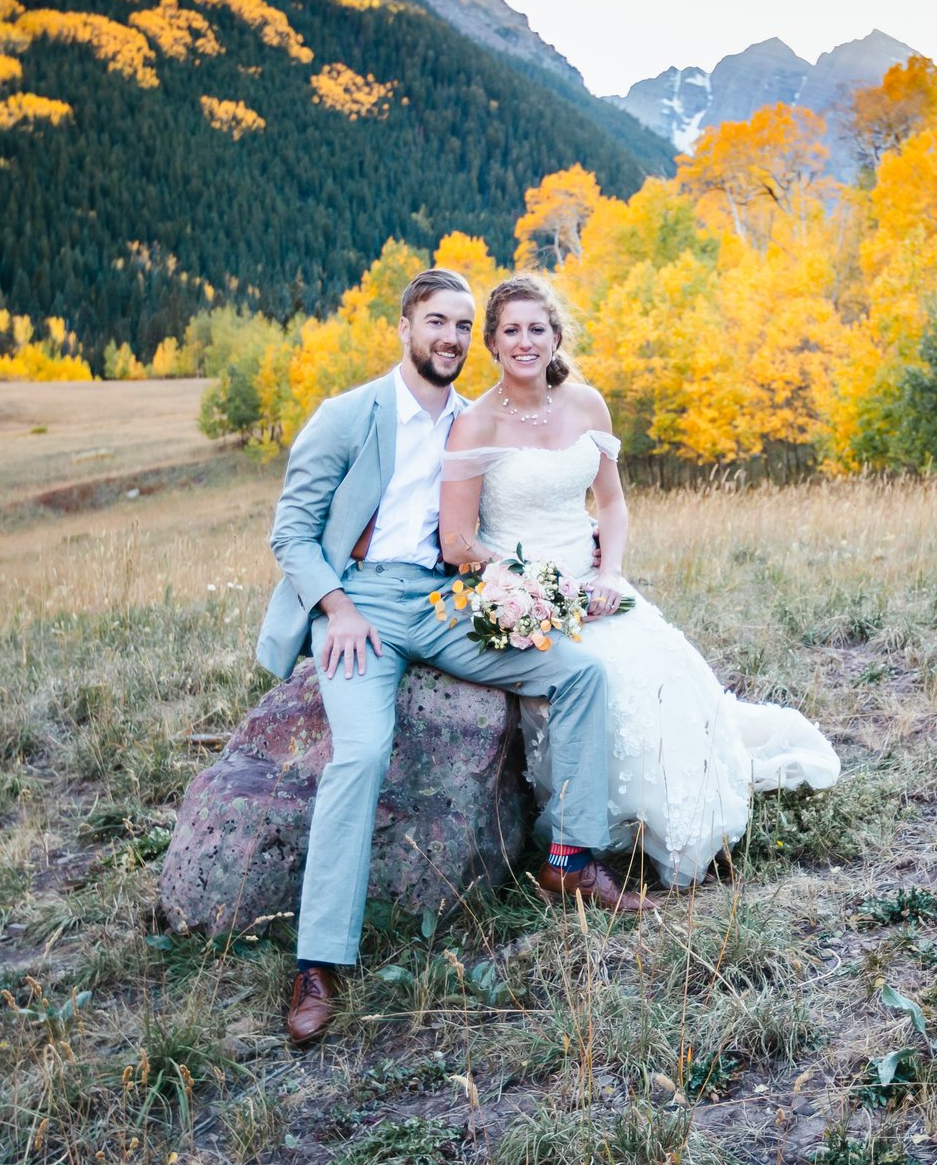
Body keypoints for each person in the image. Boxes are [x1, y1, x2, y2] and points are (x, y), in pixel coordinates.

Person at [256, 267, 647, 1049]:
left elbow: (492, 522)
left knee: (578, 670)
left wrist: (570, 573)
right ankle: (318, 964)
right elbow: (290, 532)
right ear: (405, 326)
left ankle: (569, 855)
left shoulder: (477, 417)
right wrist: (334, 608)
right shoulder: (347, 415)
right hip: (360, 604)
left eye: (465, 327)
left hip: (444, 603)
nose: (453, 339)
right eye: (438, 322)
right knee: (362, 753)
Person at [439, 274, 839, 889]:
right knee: (609, 682)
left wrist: (610, 573)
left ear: (555, 337)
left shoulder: (586, 405)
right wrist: (531, 590)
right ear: (491, 343)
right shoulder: (476, 425)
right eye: (511, 331)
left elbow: (613, 505)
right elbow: (457, 541)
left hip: (595, 582)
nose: (525, 342)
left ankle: (682, 812)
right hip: (532, 596)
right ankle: (596, 840)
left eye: (537, 329)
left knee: (666, 668)